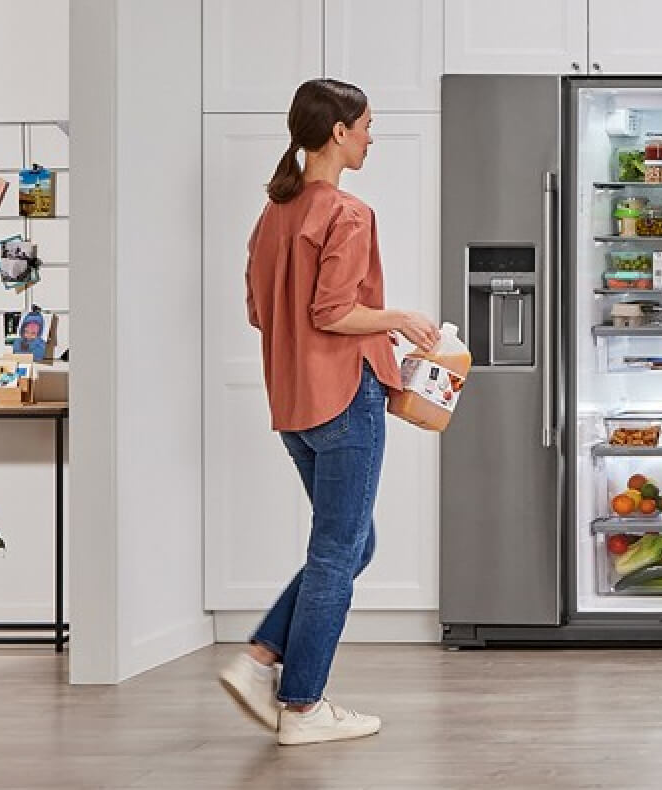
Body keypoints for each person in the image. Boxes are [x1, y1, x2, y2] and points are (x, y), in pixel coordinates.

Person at [218, 78, 440, 747]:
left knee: (349, 545)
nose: (372, 136)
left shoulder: (273, 215)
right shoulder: (347, 212)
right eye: (368, 125)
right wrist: (398, 316)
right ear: (338, 131)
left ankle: (261, 657)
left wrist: (368, 326)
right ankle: (304, 707)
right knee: (337, 553)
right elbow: (332, 312)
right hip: (345, 398)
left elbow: (264, 314)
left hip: (293, 404)